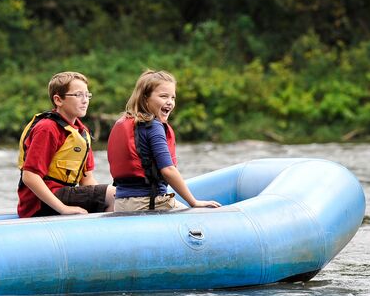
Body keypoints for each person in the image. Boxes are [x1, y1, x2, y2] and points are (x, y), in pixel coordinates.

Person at [107, 69, 220, 212]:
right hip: (148, 202)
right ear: (145, 98)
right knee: (201, 215)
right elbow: (168, 170)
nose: (170, 102)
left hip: (122, 203)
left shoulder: (126, 123)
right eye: (163, 96)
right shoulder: (153, 126)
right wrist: (194, 202)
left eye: (173, 97)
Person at [16, 71, 114, 218]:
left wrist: (102, 196)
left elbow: (87, 180)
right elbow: (29, 176)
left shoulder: (82, 133)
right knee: (115, 195)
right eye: (78, 95)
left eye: (87, 95)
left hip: (65, 195)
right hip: (39, 203)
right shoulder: (47, 128)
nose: (85, 100)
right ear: (58, 100)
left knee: (118, 195)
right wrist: (63, 208)